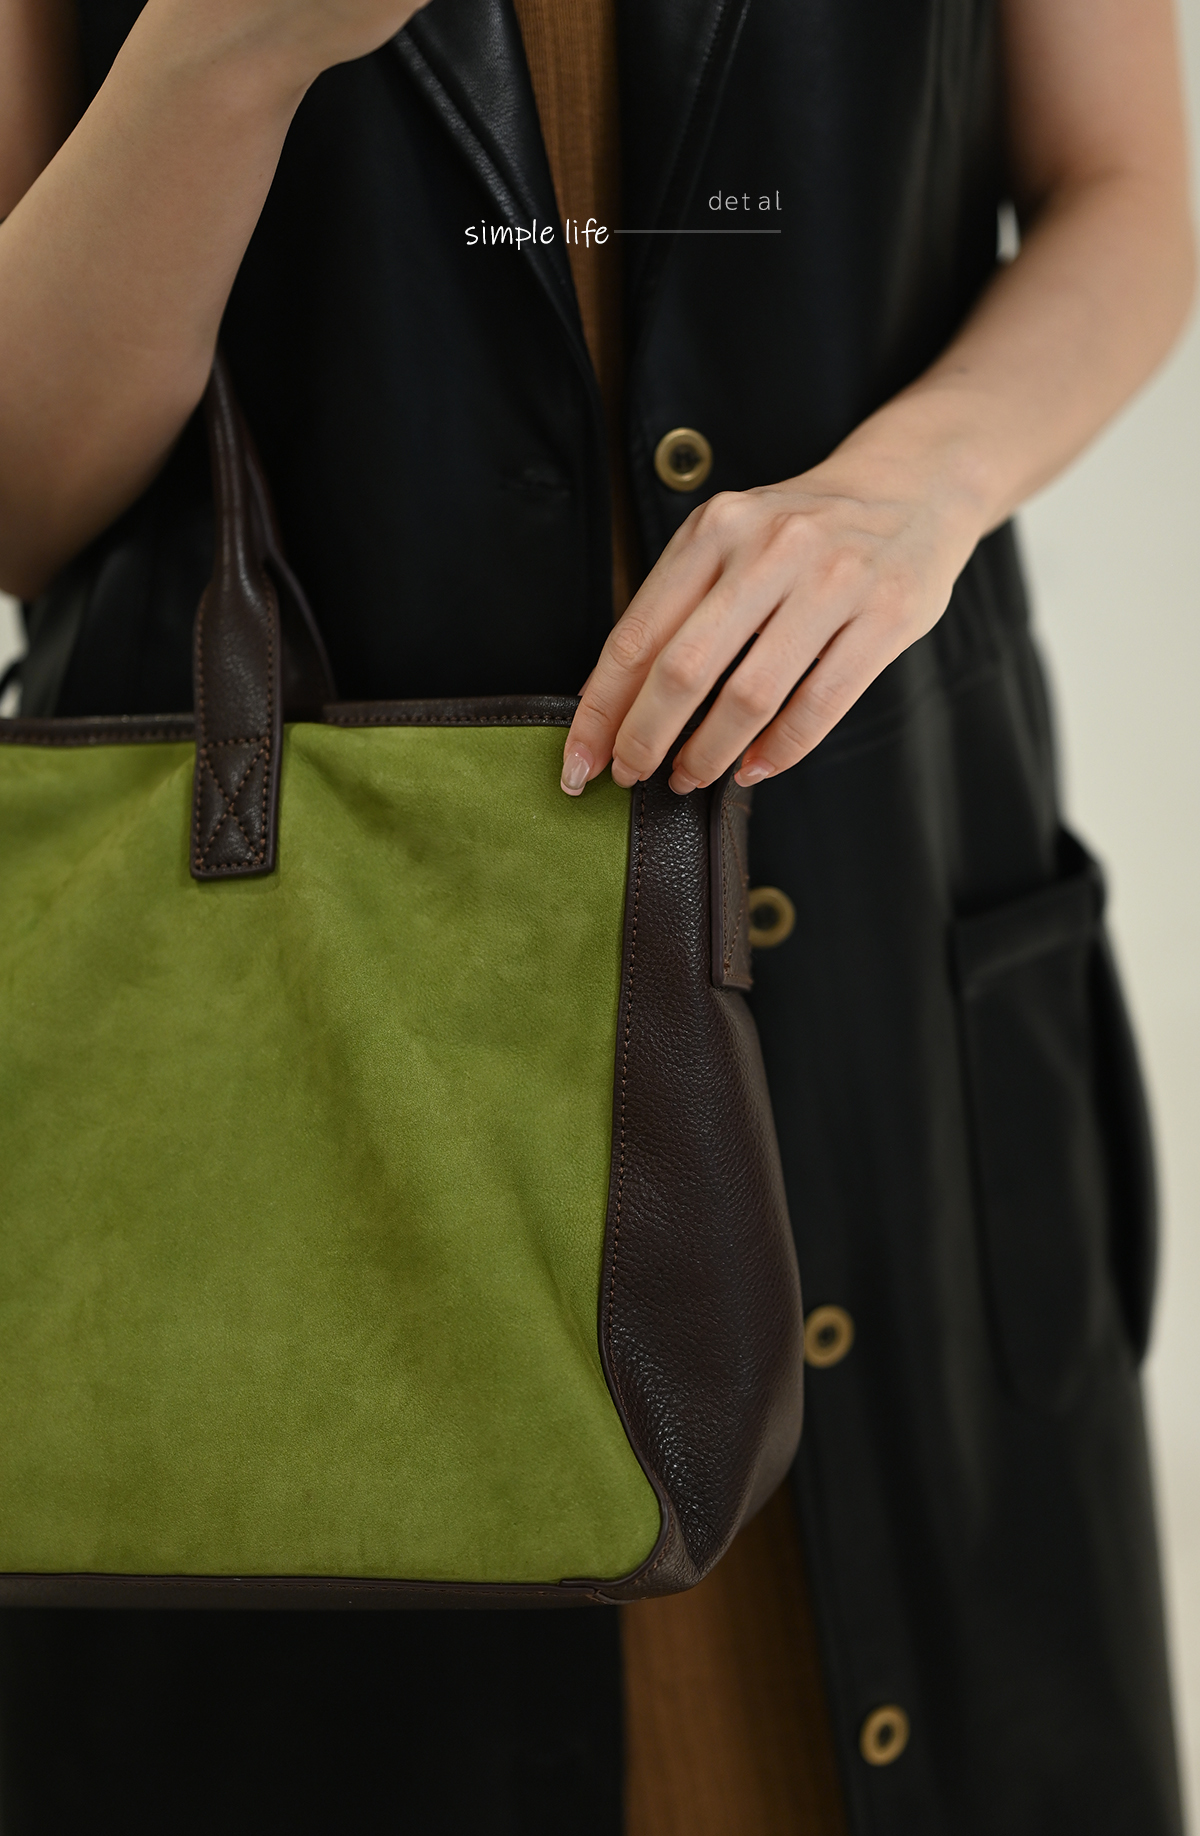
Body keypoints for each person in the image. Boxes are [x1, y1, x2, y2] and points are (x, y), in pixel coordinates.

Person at [0, 0, 1193, 1829]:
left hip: (883, 1011)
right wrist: (219, 56)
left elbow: (1124, 188)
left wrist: (915, 486)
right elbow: (21, 493)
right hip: (313, 1114)